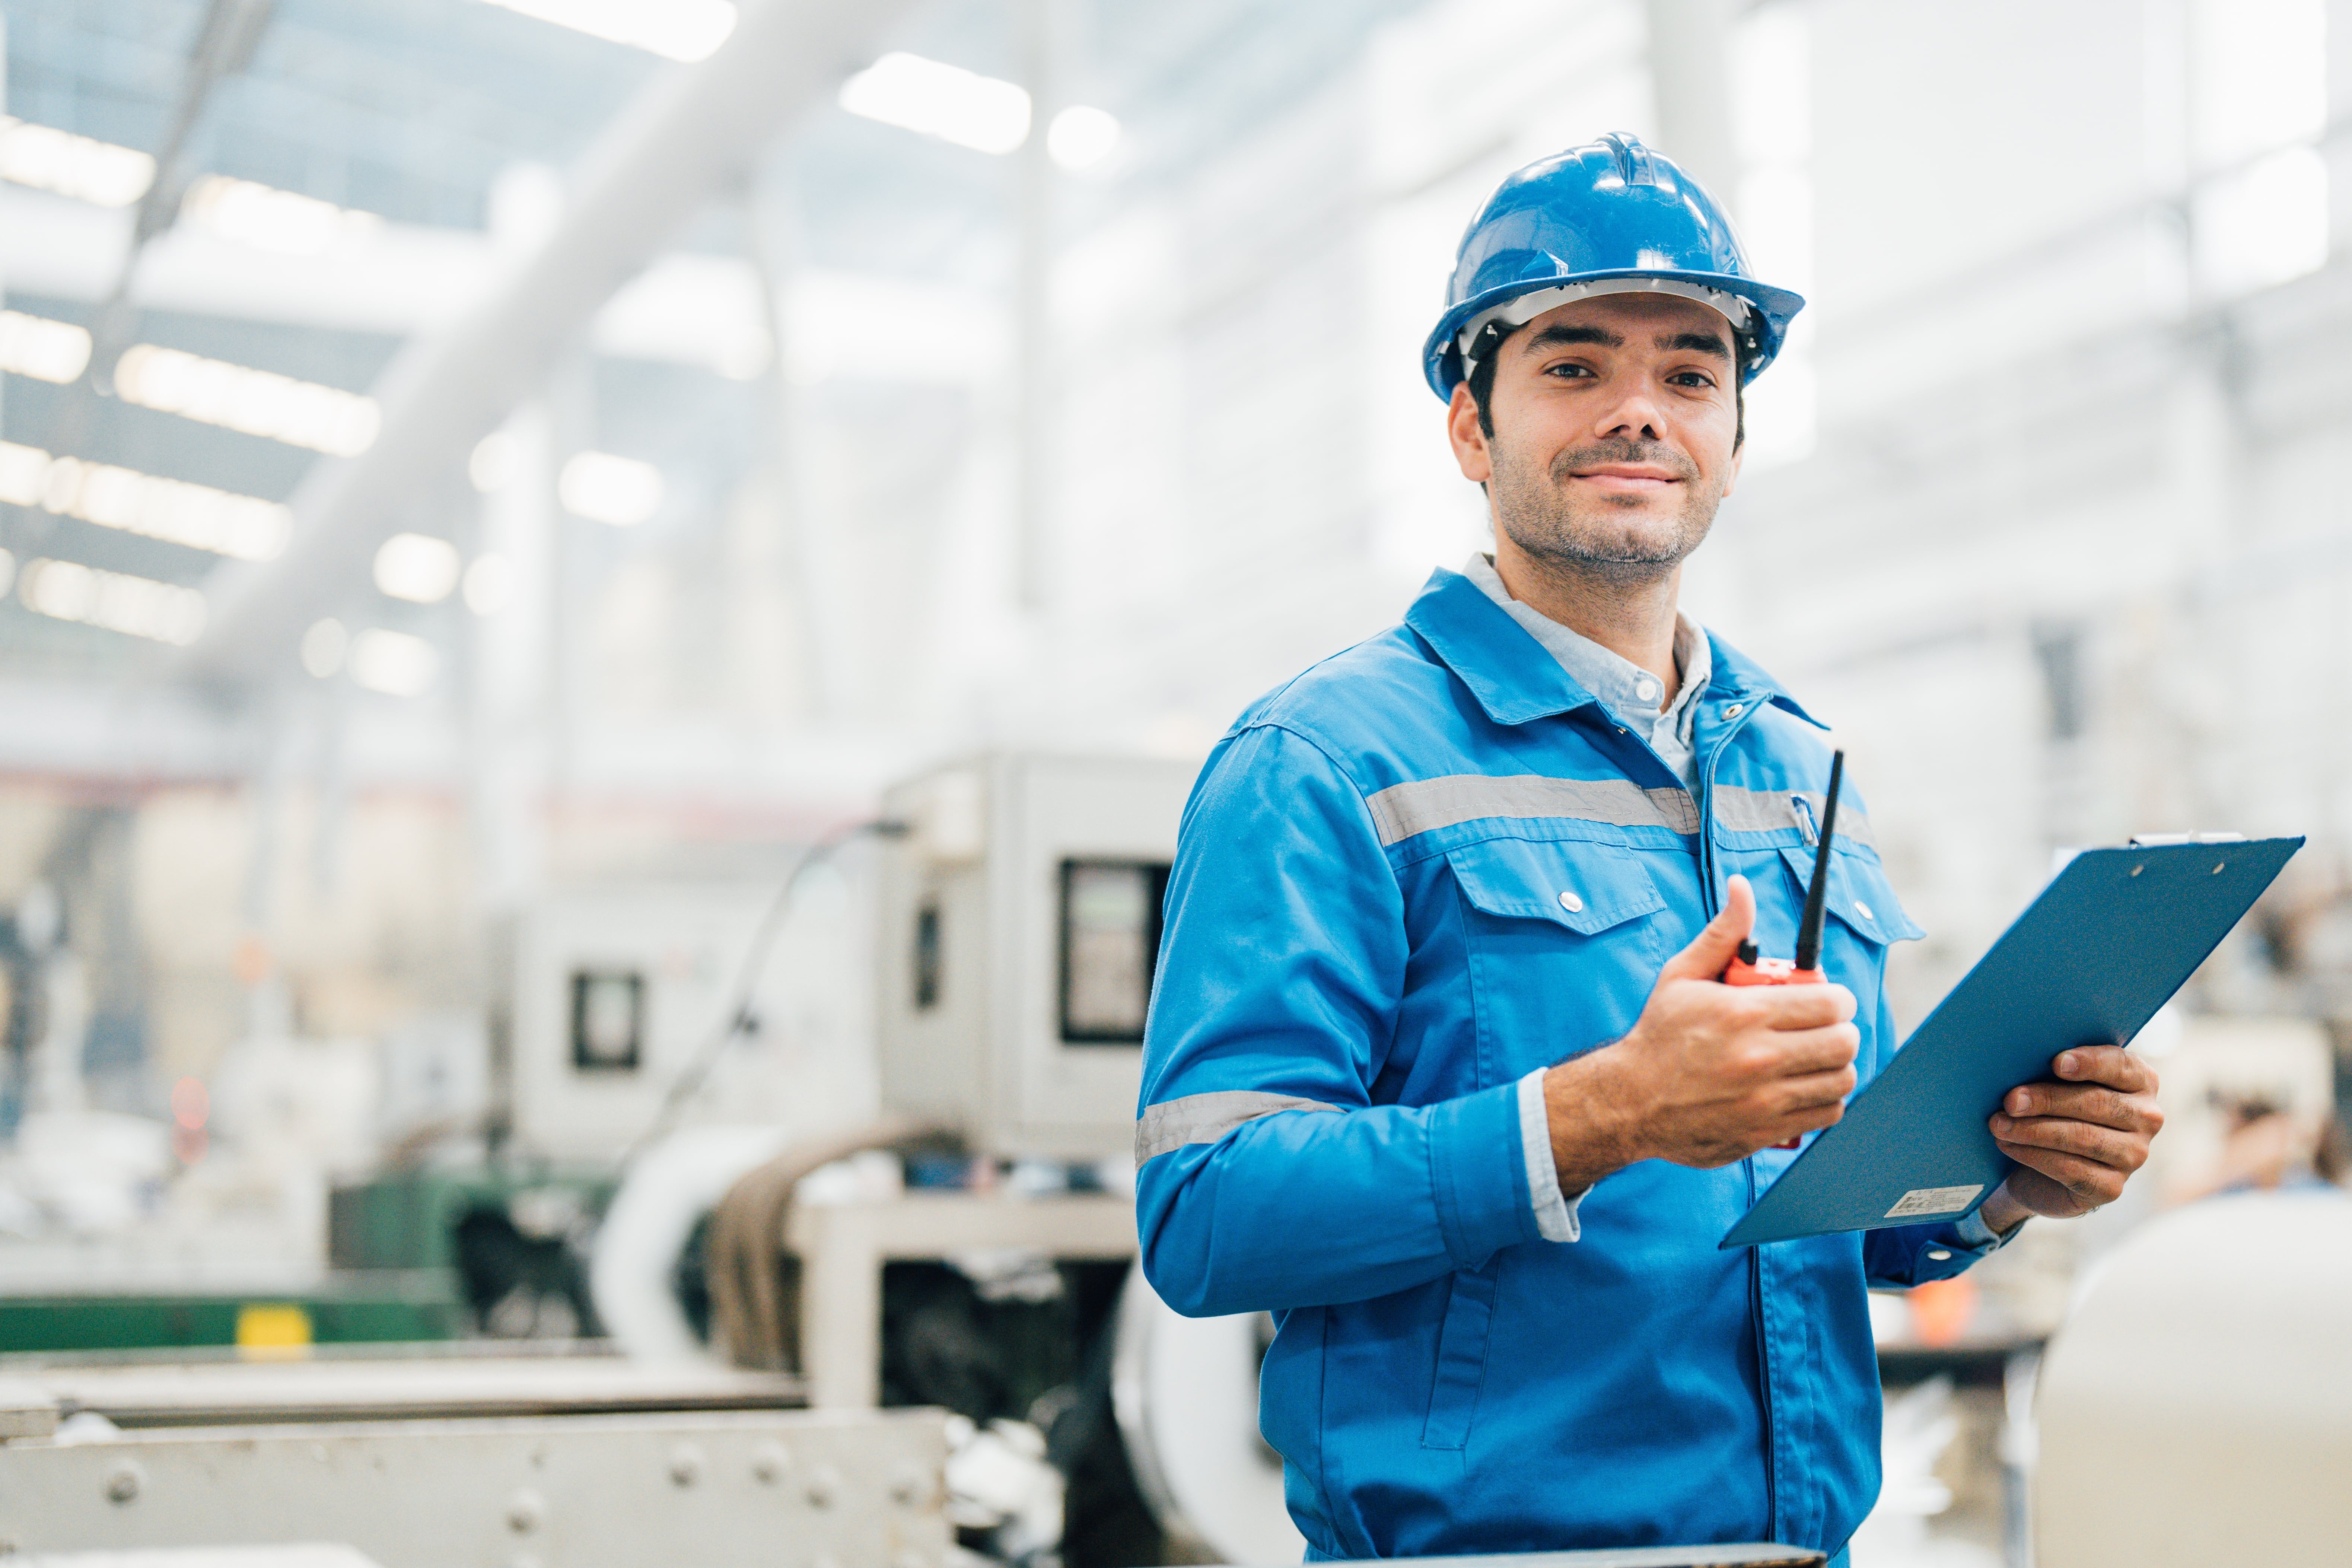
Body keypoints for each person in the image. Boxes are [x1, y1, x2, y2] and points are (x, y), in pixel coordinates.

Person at [1132, 134, 2164, 1564]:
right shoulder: (1321, 760)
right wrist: (1604, 1111)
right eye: (1573, 366)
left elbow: (1812, 1219)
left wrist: (2000, 1179)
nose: (1639, 412)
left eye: (1690, 374)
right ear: (1469, 426)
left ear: (1735, 437)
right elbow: (1204, 1212)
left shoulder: (1800, 771)